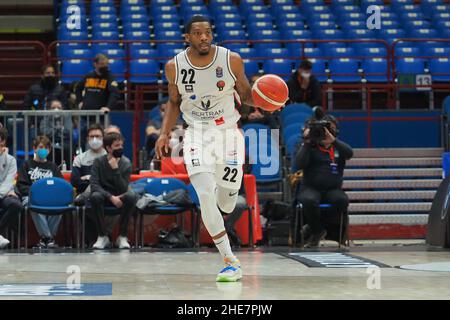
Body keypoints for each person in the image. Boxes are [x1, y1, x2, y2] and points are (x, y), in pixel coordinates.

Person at [155, 15, 259, 282]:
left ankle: (222, 194)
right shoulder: (174, 66)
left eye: (208, 32)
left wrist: (268, 101)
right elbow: (174, 102)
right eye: (198, 33)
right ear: (187, 38)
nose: (204, 37)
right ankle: (230, 260)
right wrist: (164, 133)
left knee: (227, 200)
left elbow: (246, 96)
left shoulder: (231, 59)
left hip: (228, 134)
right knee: (204, 195)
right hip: (196, 135)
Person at [294, 112, 353, 248]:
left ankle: (315, 228)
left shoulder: (337, 147)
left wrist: (334, 141)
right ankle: (317, 230)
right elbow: (300, 164)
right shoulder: (310, 147)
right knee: (309, 200)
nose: (325, 133)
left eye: (329, 129)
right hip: (310, 187)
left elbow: (349, 153)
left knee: (342, 200)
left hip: (332, 189)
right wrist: (308, 142)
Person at [89, 132, 137, 249]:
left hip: (120, 197)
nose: (120, 148)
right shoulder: (98, 162)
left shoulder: (125, 163)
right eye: (117, 146)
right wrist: (110, 197)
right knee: (95, 196)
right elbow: (94, 185)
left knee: (131, 196)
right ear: (108, 148)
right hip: (104, 197)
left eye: (121, 145)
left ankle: (122, 236)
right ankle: (102, 236)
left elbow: (123, 188)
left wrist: (115, 170)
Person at [16, 135, 63, 248]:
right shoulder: (26, 165)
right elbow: (22, 186)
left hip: (50, 199)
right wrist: (38, 194)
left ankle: (45, 239)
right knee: (33, 204)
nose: (44, 150)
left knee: (61, 204)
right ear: (34, 148)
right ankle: (49, 238)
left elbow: (60, 187)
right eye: (41, 147)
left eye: (47, 148)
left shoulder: (53, 167)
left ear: (49, 150)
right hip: (31, 198)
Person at [0, 128, 23, 248]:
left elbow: (9, 181)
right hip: (4, 193)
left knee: (16, 205)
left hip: (4, 193)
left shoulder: (11, 160)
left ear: (3, 141)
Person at [39, 99, 74, 167]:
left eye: (59, 108)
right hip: (50, 142)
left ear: (62, 109)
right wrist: (59, 130)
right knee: (47, 148)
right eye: (53, 108)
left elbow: (68, 131)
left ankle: (69, 170)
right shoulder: (46, 118)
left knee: (68, 148)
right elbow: (44, 131)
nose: (56, 109)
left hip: (64, 142)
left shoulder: (67, 117)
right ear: (49, 109)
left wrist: (54, 131)